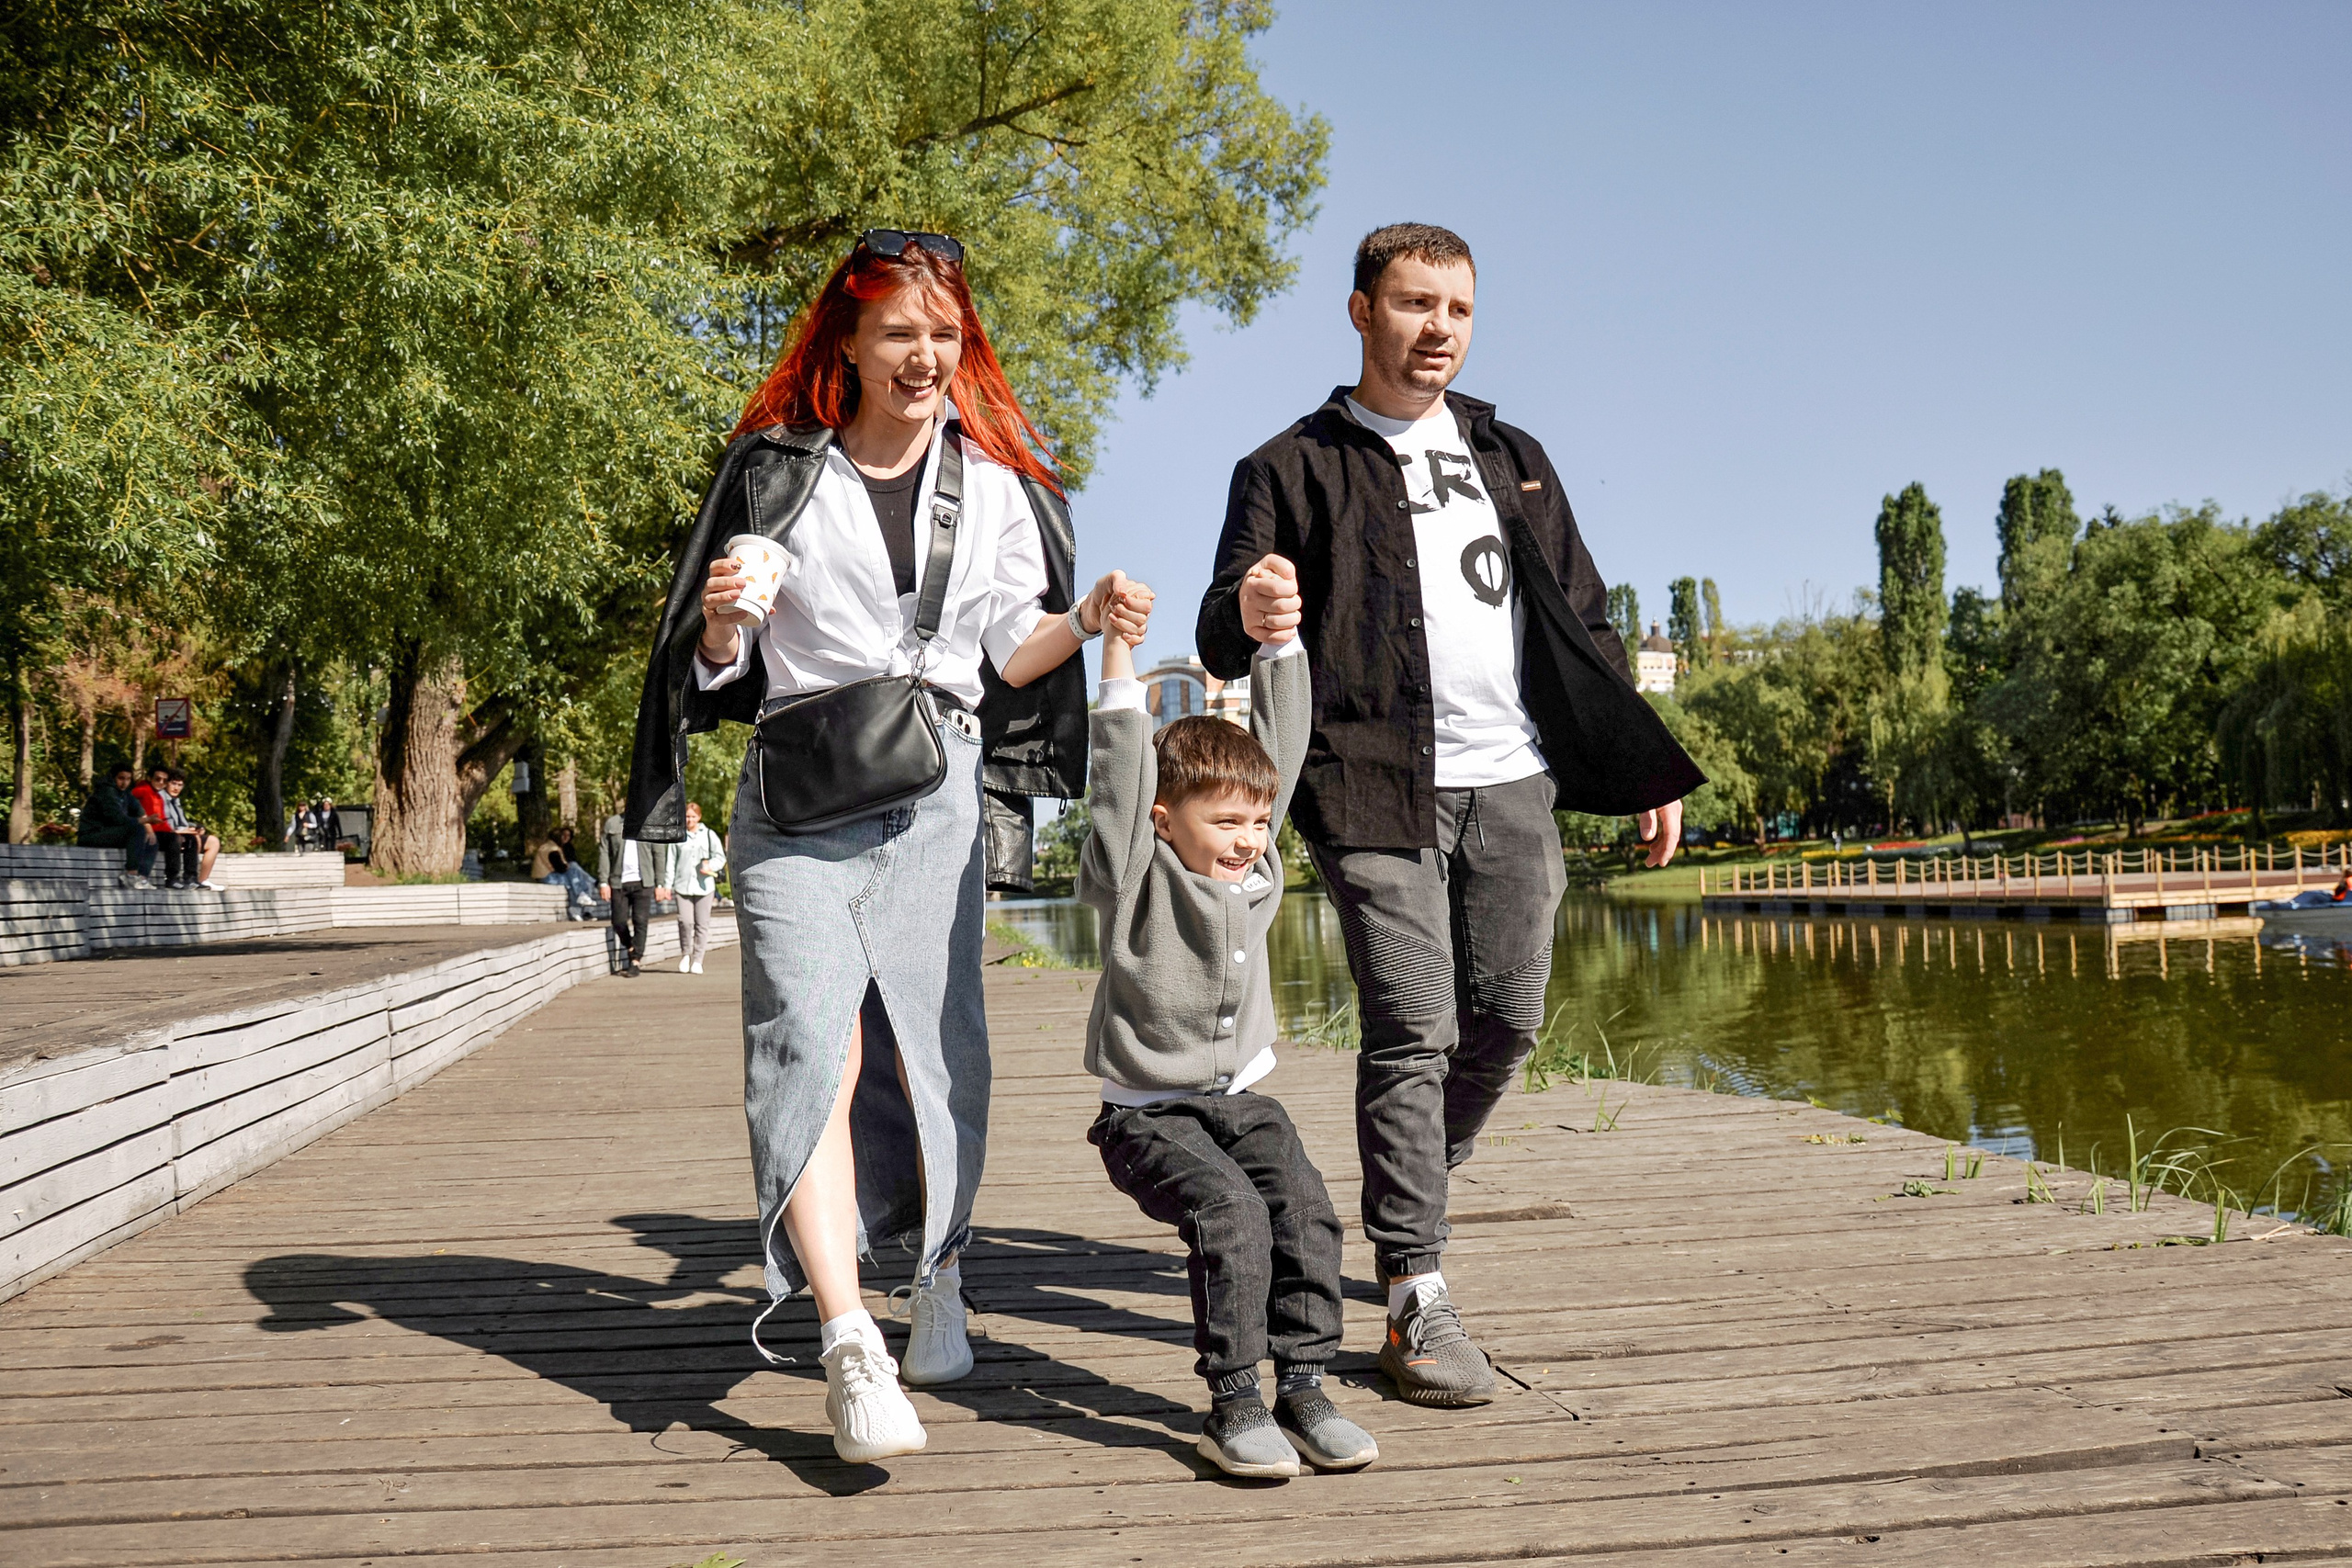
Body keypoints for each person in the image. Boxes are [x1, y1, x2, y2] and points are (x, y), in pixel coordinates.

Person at [623, 228, 1136, 1463]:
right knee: (810, 1042)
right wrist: (714, 629)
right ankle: (848, 1337)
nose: (925, 355)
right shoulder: (777, 473)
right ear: (846, 341)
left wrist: (1088, 619)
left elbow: (1010, 657)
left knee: (933, 1046)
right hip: (798, 793)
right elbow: (725, 666)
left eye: (944, 335)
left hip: (937, 794)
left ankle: (941, 1272)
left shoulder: (1000, 484)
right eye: (899, 331)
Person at [1195, 222, 1702, 1408]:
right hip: (1366, 776)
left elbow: (1584, 615)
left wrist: (1648, 766)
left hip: (1514, 776)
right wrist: (1256, 598)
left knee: (1512, 1019)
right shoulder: (1290, 465)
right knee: (1412, 1027)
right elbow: (1225, 628)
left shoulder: (1510, 453)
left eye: (1459, 310)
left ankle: (1406, 1175)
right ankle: (1417, 1292)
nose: (1440, 329)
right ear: (1362, 310)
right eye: (1416, 304)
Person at [1078, 576, 1377, 1480]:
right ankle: (1236, 1401)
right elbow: (1121, 776)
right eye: (1225, 821)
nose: (1249, 837)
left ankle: (1306, 1384)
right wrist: (1120, 657)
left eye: (1257, 821)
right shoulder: (1135, 866)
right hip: (1146, 1116)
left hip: (1240, 1101)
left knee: (1306, 1212)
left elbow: (1277, 744)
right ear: (1166, 822)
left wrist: (1280, 645)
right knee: (1233, 1215)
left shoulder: (1255, 865)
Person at [596, 811, 668, 976]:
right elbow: (604, 853)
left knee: (640, 921)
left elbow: (659, 854)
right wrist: (603, 881)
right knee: (618, 921)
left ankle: (635, 961)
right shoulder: (612, 824)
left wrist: (660, 884)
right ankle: (631, 947)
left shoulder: (651, 823)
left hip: (644, 881)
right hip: (618, 881)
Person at [77, 762, 157, 886]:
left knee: (152, 840)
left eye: (128, 779)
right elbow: (118, 819)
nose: (124, 783)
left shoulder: (126, 793)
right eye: (121, 778)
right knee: (137, 829)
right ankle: (131, 875)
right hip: (92, 834)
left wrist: (150, 829)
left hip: (110, 833)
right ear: (113, 778)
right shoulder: (106, 792)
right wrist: (144, 822)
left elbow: (139, 811)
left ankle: (142, 879)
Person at [670, 802, 726, 974]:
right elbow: (670, 862)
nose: (689, 820)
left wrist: (711, 866)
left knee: (702, 924)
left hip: (704, 886)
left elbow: (720, 857)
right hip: (682, 885)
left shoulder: (708, 835)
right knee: (685, 921)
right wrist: (665, 885)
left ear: (699, 817)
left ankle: (698, 960)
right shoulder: (678, 836)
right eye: (687, 816)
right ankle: (686, 954)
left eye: (693, 816)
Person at [163, 770, 221, 888]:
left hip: (182, 833)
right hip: (168, 835)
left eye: (180, 785)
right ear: (167, 783)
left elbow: (181, 822)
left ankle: (202, 879)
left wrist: (195, 827)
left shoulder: (176, 801)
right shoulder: (162, 799)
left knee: (213, 841)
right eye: (173, 784)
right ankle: (186, 878)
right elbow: (166, 824)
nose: (176, 788)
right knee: (191, 839)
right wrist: (187, 831)